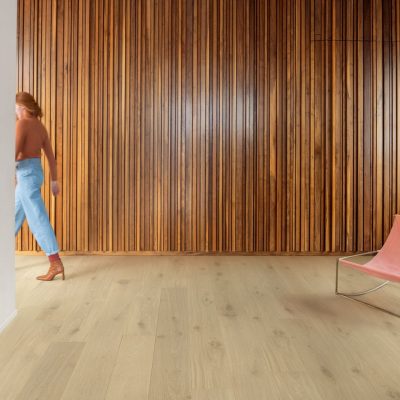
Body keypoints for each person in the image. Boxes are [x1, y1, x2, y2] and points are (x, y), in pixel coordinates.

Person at [15, 92, 65, 281]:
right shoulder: (40, 126)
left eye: (15, 107)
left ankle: (55, 262)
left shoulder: (22, 123)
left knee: (37, 217)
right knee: (13, 215)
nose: (14, 110)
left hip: (25, 174)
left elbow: (13, 153)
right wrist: (54, 180)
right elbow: (51, 157)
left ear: (22, 107)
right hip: (35, 172)